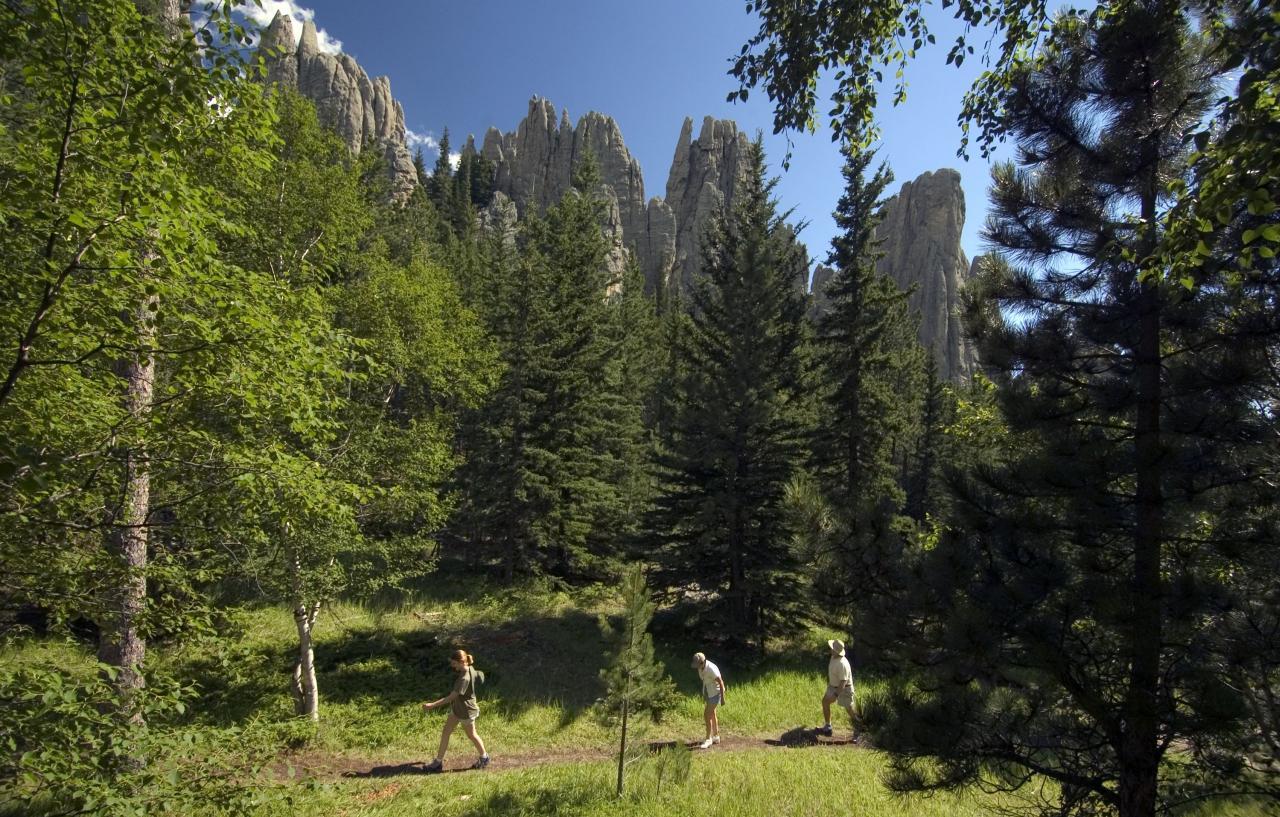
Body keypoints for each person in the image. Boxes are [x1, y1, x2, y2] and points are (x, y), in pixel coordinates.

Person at [421, 649, 490, 772]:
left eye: (454, 663)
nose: (452, 666)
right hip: (457, 709)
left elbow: (451, 697)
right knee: (446, 732)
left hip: (466, 712)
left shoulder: (464, 678)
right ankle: (438, 762)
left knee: (472, 735)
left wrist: (432, 705)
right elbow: (479, 674)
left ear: (461, 662)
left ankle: (484, 757)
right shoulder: (469, 668)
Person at [818, 638, 856, 741]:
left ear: (836, 651)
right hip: (833, 686)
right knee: (825, 702)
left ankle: (859, 730)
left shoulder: (842, 664)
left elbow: (843, 682)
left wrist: (835, 694)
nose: (830, 649)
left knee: (849, 709)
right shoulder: (833, 657)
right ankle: (828, 726)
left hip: (844, 689)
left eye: (832, 648)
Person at [691, 651, 725, 749]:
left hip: (716, 694)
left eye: (697, 665)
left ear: (702, 662)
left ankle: (708, 739)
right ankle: (716, 737)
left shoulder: (711, 669)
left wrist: (722, 698)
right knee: (712, 714)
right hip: (710, 693)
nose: (696, 667)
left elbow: (721, 683)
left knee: (706, 715)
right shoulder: (701, 667)